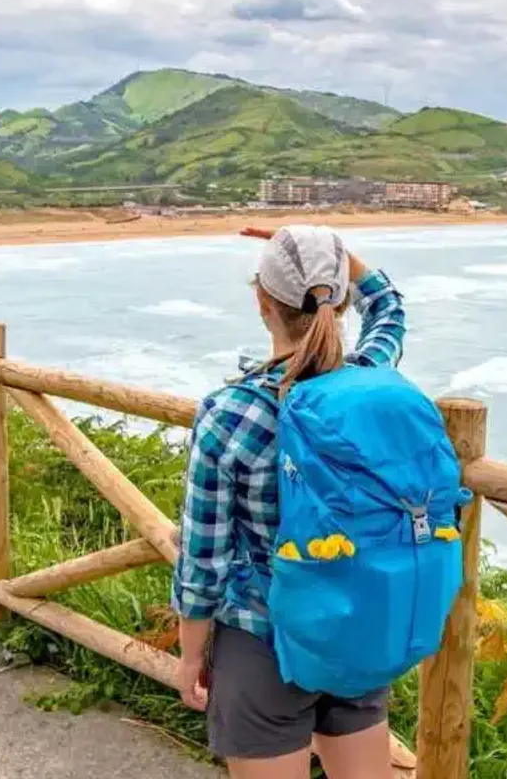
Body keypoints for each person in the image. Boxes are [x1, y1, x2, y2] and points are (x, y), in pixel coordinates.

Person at [172, 224, 406, 779]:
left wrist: (188, 656)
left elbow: (205, 561)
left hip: (263, 638)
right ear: (340, 300)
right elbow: (390, 310)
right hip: (357, 625)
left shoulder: (231, 414)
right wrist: (335, 258)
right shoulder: (370, 383)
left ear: (262, 302)